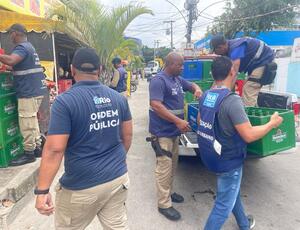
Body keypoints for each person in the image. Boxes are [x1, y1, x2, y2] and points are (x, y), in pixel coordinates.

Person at [34, 48, 133, 230]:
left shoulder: (65, 102)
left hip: (81, 187)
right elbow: (127, 136)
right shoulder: (118, 99)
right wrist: (115, 160)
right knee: (117, 226)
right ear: (100, 69)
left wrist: (42, 190)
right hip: (118, 179)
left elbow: (55, 149)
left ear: (72, 70)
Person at [197, 56, 283, 230]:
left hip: (210, 156)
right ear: (231, 72)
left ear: (213, 74)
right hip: (228, 160)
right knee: (222, 206)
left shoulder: (207, 95)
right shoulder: (232, 100)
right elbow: (249, 135)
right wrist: (271, 124)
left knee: (230, 191)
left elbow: (200, 120)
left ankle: (244, 223)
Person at [149, 52, 202, 221]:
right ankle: (164, 203)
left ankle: (169, 192)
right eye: (180, 65)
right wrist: (178, 121)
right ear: (170, 64)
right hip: (162, 132)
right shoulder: (159, 80)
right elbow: (156, 105)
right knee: (164, 168)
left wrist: (197, 89)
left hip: (174, 132)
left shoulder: (177, 80)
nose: (182, 68)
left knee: (173, 166)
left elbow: (191, 85)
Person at [0, 24, 47, 166]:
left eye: (11, 34)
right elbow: (16, 65)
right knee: (32, 121)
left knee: (26, 121)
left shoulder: (22, 48)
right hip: (35, 89)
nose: (10, 37)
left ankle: (29, 153)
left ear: (16, 33)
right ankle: (37, 148)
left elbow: (12, 60)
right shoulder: (29, 47)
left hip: (28, 91)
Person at [210, 35, 276, 107]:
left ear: (221, 46)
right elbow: (221, 77)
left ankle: (247, 117)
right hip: (255, 65)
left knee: (249, 88)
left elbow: (233, 73)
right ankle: (255, 112)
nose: (216, 53)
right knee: (247, 90)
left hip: (264, 61)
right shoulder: (228, 50)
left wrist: (224, 94)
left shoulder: (236, 48)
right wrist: (211, 92)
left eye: (216, 51)